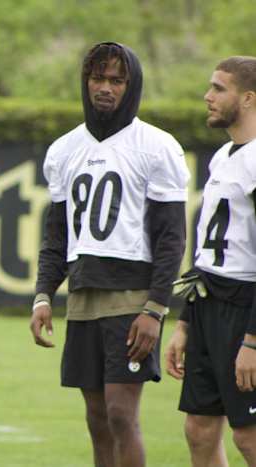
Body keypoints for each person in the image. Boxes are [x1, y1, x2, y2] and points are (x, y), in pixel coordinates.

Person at [29, 42, 190, 467]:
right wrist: (44, 294)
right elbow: (57, 234)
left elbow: (172, 236)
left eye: (116, 80)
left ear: (131, 85)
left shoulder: (157, 146)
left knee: (122, 413)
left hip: (132, 295)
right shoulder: (63, 150)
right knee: (97, 418)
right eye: (97, 78)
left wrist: (155, 307)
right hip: (83, 295)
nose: (105, 88)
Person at [165, 56, 256, 467]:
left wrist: (253, 341)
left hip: (245, 308)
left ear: (249, 98)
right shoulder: (223, 158)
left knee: (249, 437)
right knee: (199, 429)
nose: (208, 96)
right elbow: (204, 251)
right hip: (208, 304)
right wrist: (185, 321)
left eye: (219, 88)